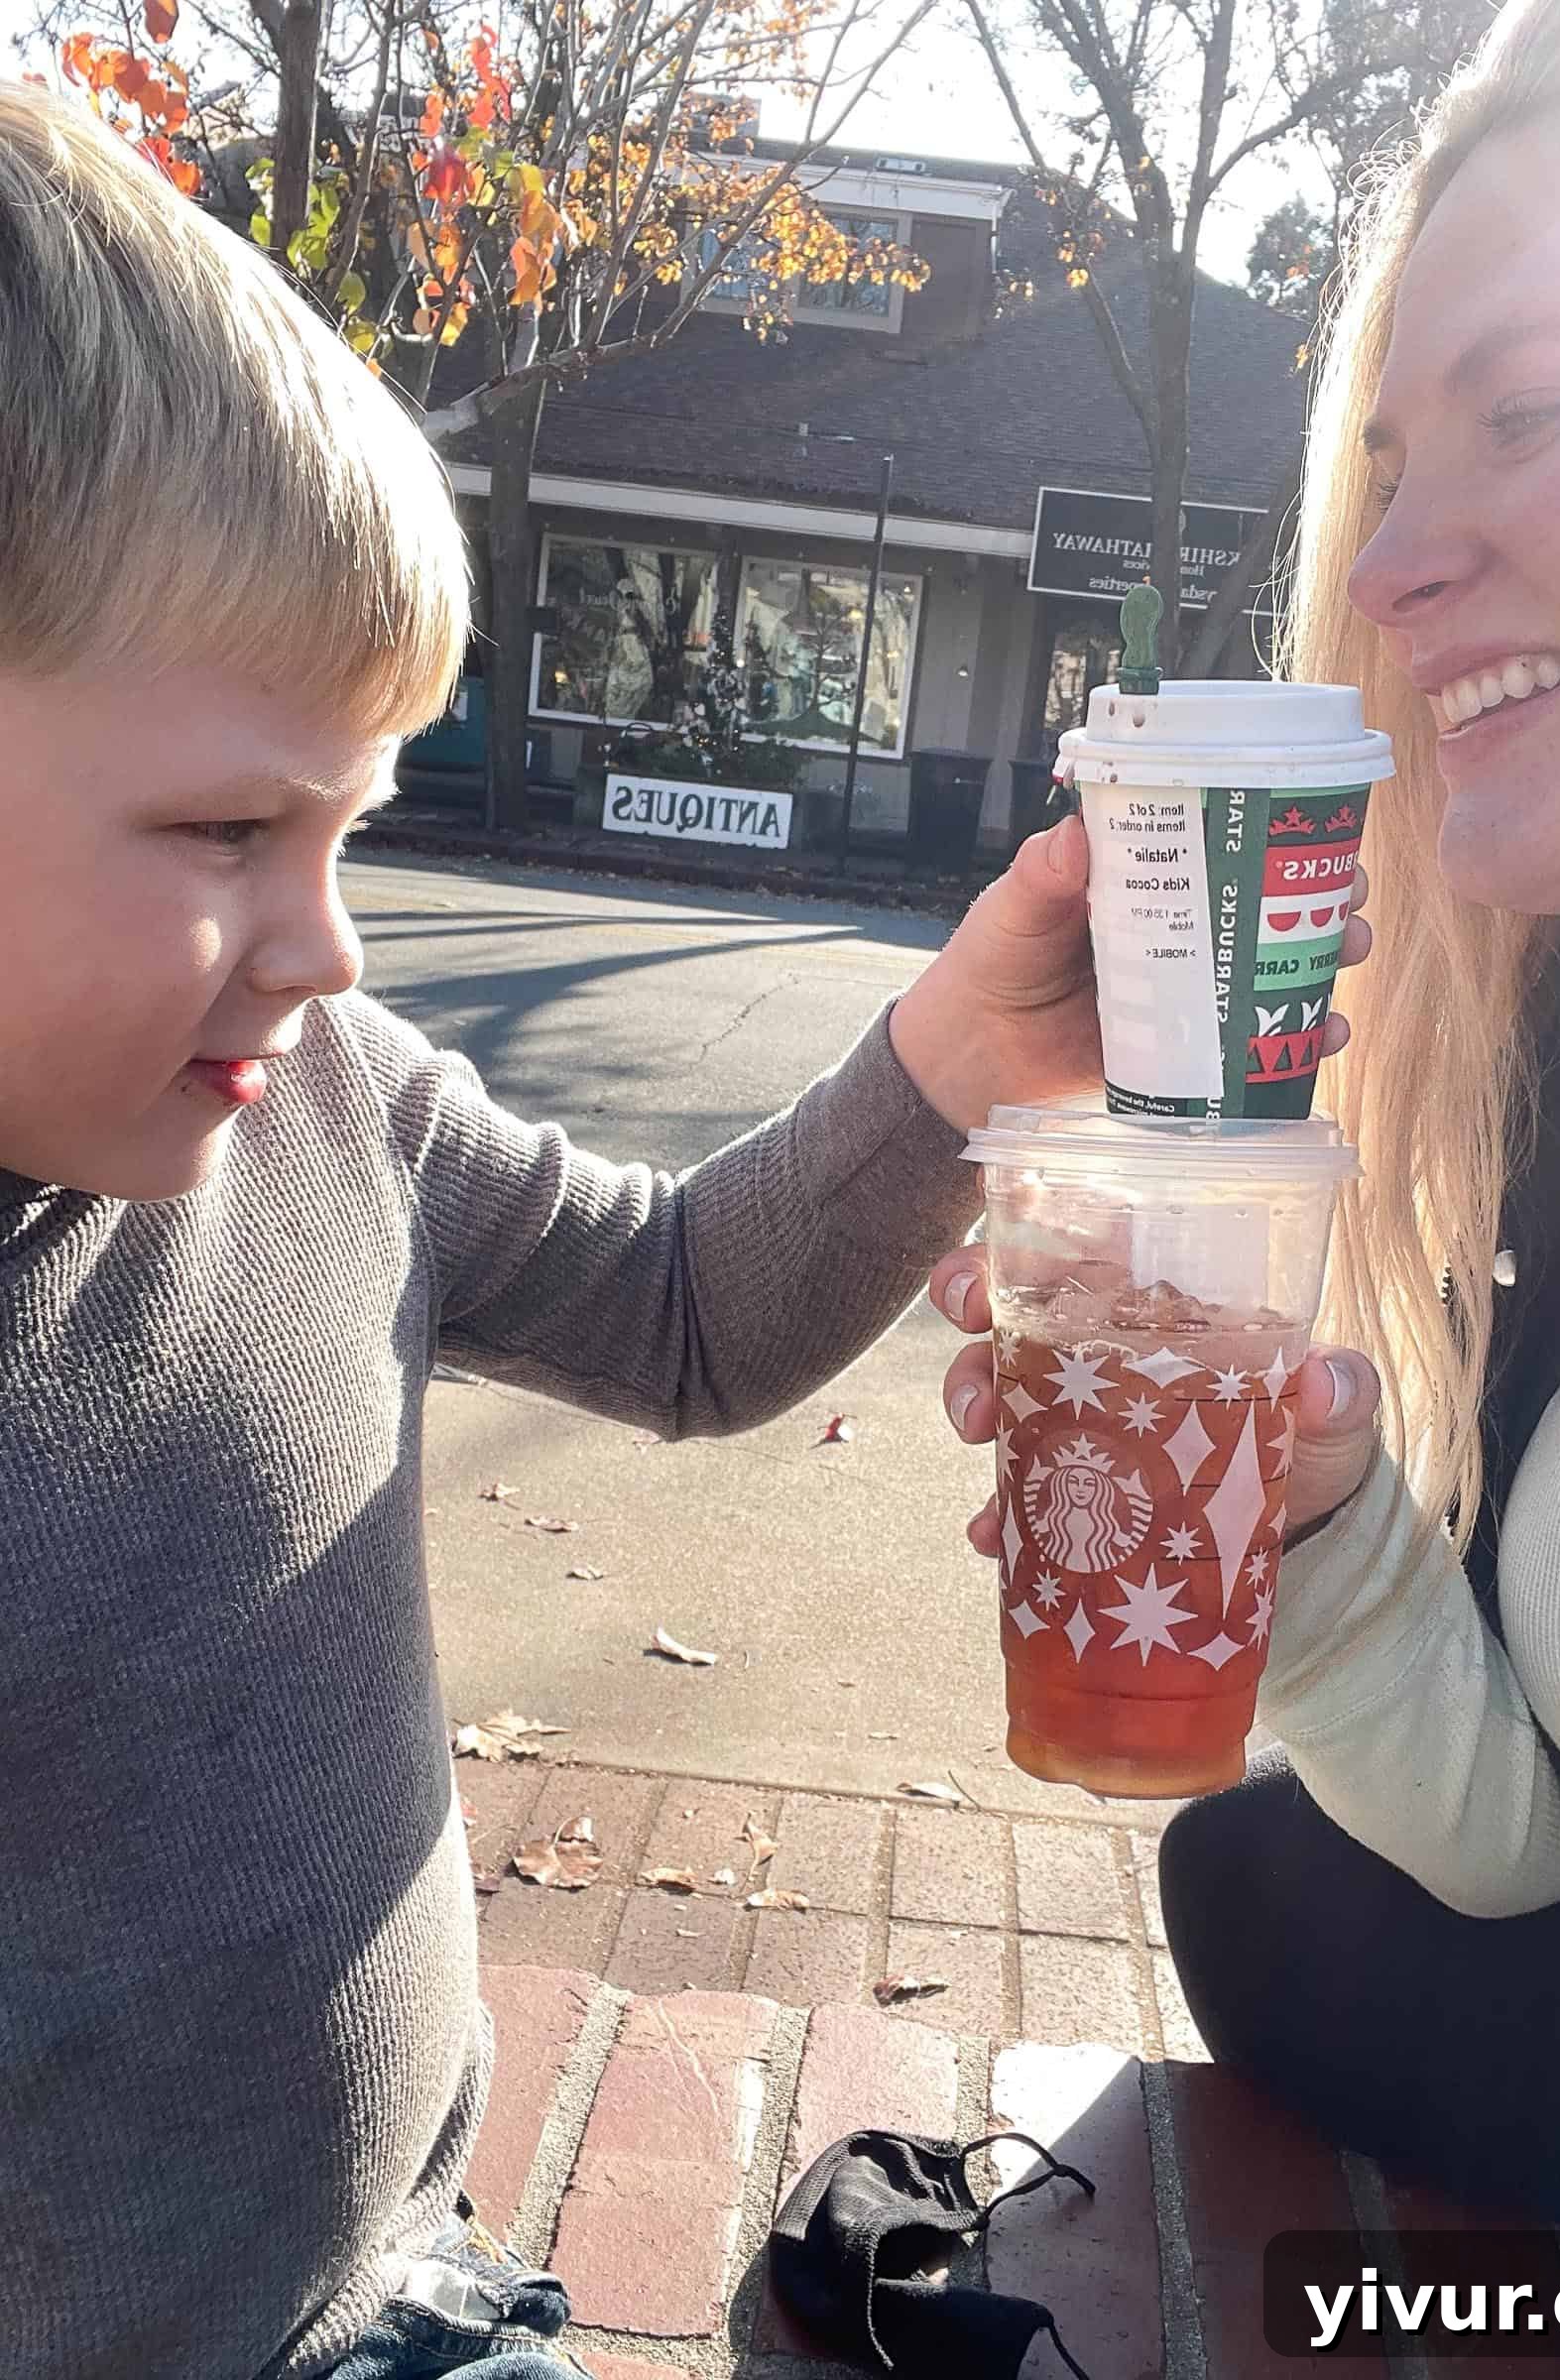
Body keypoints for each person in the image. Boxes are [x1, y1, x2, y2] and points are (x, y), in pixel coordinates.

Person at [0, 84, 1108, 2380]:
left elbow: (690, 1314)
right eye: (226, 825)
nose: (327, 949)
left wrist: (957, 1056)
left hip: (414, 2290)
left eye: (355, 831)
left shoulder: (338, 1113)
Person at [934, 0, 1560, 2248]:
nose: (1398, 569)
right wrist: (1312, 1530)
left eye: (1534, 412)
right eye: (1402, 459)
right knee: (1259, 1876)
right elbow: (1553, 1856)